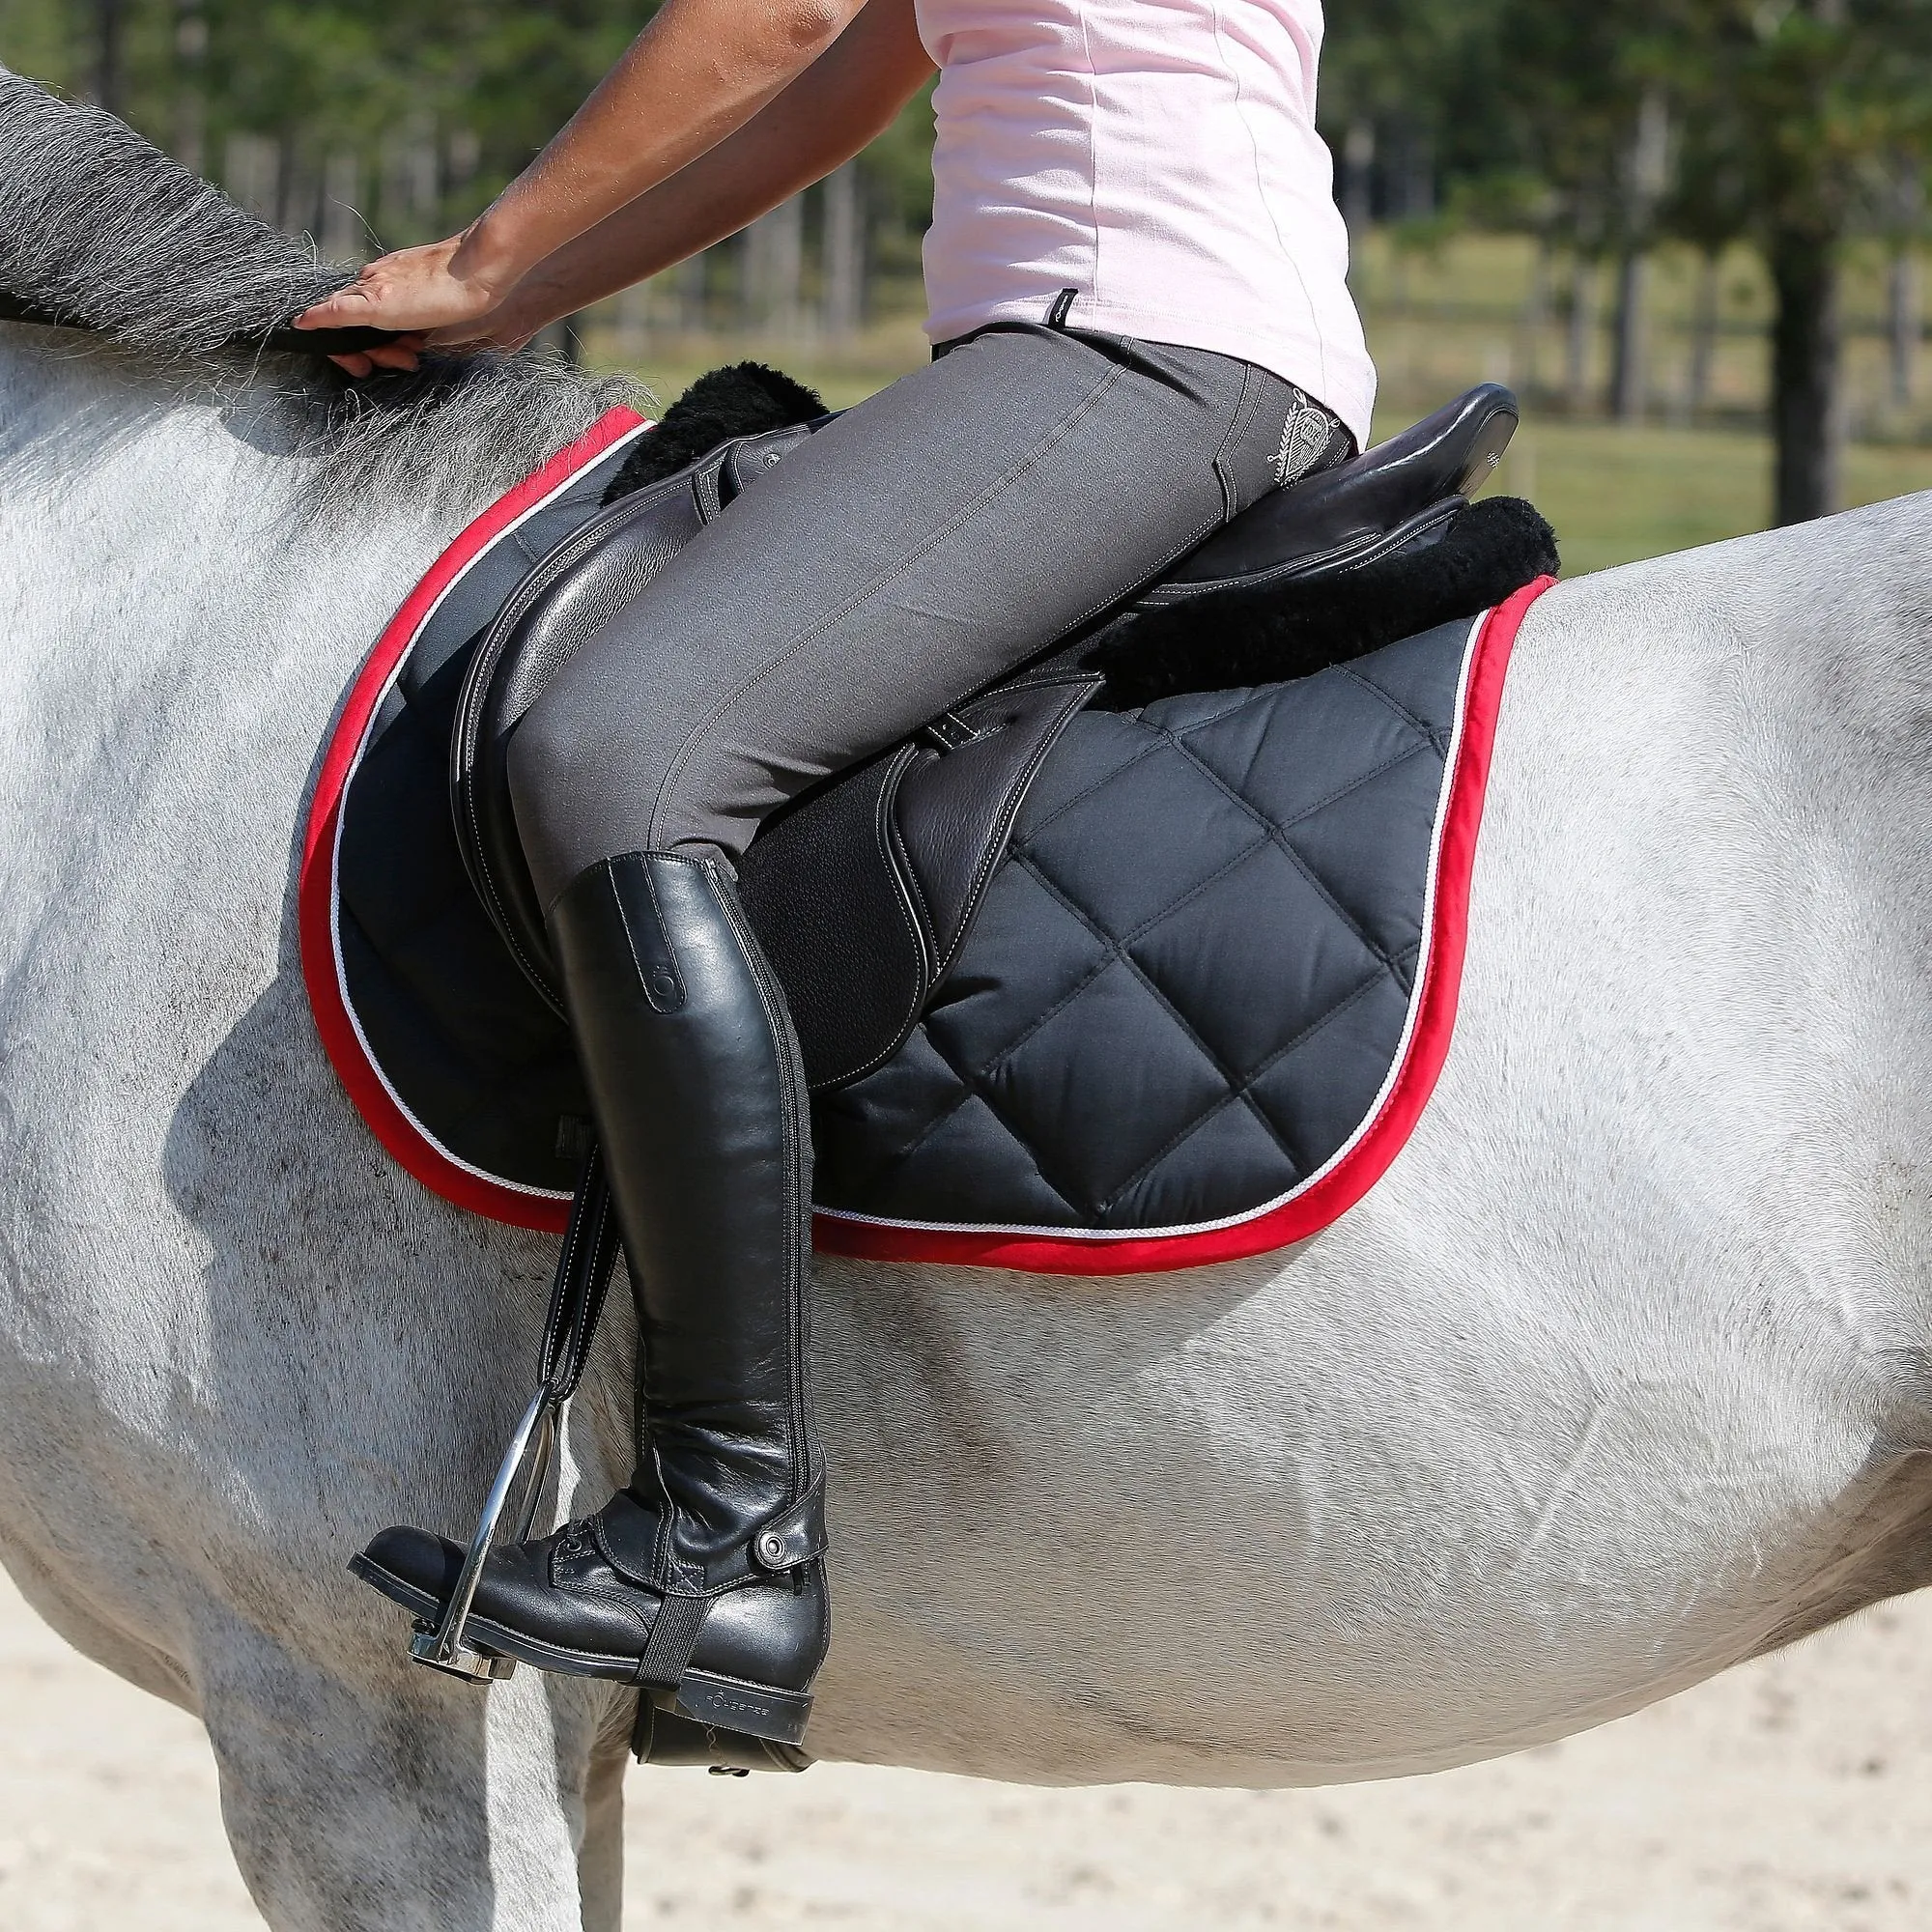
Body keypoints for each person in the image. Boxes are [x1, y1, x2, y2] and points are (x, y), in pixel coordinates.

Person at [300, 0, 1376, 1746]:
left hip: (1127, 348)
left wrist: (484, 243)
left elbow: (773, 15)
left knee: (617, 758)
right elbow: (835, 78)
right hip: (1152, 340)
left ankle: (725, 1530)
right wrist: (513, 295)